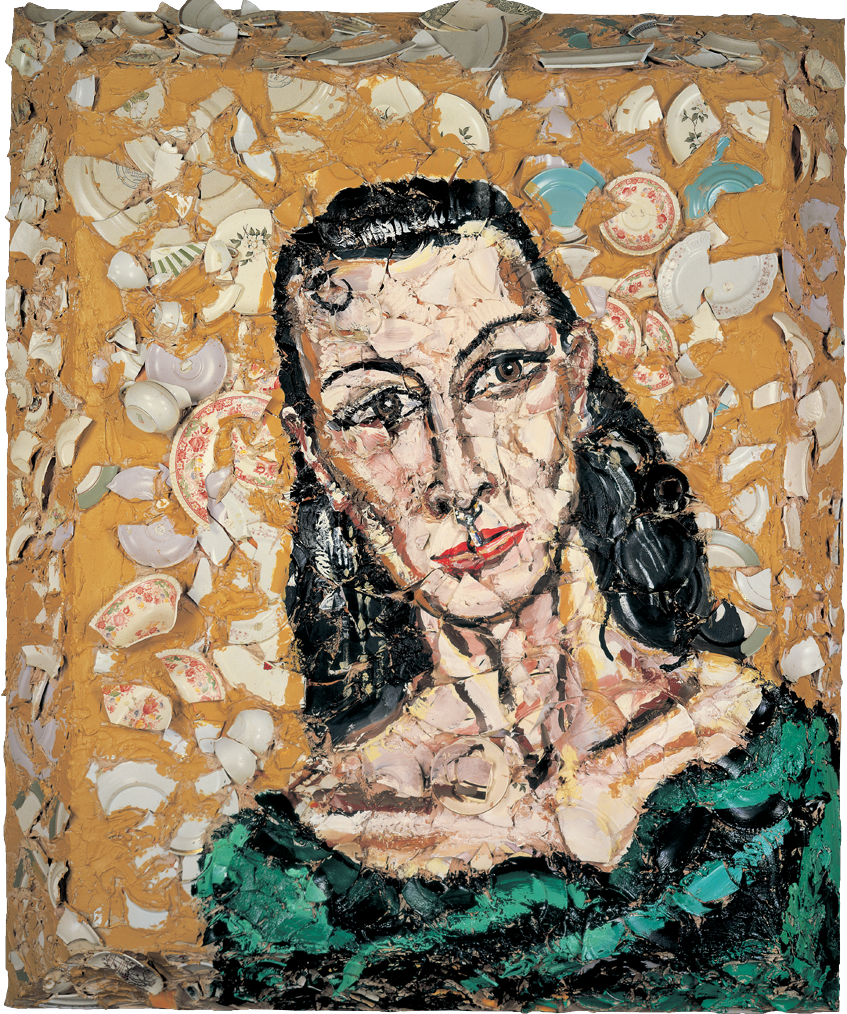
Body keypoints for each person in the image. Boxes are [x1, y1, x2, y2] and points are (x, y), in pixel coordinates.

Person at [195, 179, 838, 1011]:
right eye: (380, 408)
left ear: (575, 380)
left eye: (502, 372)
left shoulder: (784, 760)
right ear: (317, 455)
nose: (459, 476)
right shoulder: (292, 874)